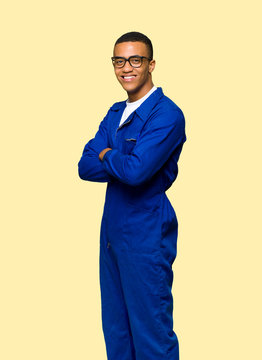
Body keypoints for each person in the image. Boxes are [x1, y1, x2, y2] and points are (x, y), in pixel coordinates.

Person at [78, 31, 186, 360]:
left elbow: (137, 173)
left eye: (135, 60)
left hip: (145, 234)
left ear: (150, 64)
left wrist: (107, 154)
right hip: (111, 233)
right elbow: (84, 166)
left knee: (151, 332)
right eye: (119, 61)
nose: (127, 68)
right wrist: (119, 159)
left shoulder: (167, 115)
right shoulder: (115, 113)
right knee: (117, 330)